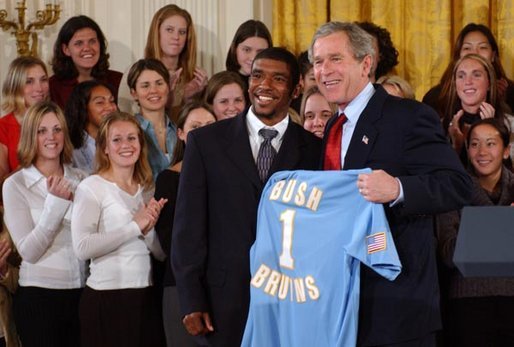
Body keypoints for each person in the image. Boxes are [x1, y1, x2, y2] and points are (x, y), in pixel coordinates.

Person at [310, 21, 472, 346]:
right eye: (317, 61)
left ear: (365, 63)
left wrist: (398, 189)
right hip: (342, 303)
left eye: (335, 59)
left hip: (397, 307)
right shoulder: (333, 128)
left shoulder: (408, 116)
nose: (324, 70)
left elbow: (457, 185)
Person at [172, 47, 322, 346]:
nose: (264, 85)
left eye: (277, 78)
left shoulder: (316, 151)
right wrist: (191, 300)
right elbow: (188, 230)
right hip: (222, 303)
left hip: (292, 300)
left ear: (295, 90)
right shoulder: (206, 143)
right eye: (257, 76)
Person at [71, 111, 166, 347]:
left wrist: (148, 229)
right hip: (106, 298)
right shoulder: (92, 187)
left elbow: (160, 253)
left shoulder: (146, 187)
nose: (126, 145)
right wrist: (134, 226)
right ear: (104, 148)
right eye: (117, 139)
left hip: (144, 296)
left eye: (132, 138)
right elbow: (82, 248)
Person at [2, 101, 87, 347]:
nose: (52, 137)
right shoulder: (15, 184)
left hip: (83, 293)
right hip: (39, 297)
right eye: (42, 131)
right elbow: (29, 250)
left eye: (57, 129)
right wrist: (55, 205)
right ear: (31, 136)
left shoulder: (83, 178)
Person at [436, 118, 514, 347]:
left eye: (491, 143)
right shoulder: (453, 192)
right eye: (474, 144)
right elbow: (449, 254)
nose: (482, 152)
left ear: (506, 151)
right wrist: (504, 224)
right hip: (467, 305)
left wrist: (475, 231)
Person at [154, 100, 215, 347]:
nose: (202, 133)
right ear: (180, 134)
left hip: (221, 284)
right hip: (180, 286)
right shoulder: (168, 179)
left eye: (209, 126)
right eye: (195, 127)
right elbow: (171, 242)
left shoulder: (230, 176)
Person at [135, 4, 208, 121]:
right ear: (157, 33)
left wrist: (190, 99)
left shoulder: (196, 77)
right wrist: (166, 97)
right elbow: (126, 119)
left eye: (182, 32)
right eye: (169, 30)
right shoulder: (136, 72)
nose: (176, 37)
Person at [423, 23, 514, 114]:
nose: (474, 53)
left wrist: (500, 101)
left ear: (493, 55)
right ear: (458, 55)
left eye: (482, 47)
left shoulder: (510, 92)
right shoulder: (436, 97)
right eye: (467, 48)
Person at [441, 54, 512, 163]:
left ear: (489, 83)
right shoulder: (440, 127)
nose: (468, 82)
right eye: (461, 76)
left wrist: (491, 129)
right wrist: (456, 148)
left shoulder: (510, 125)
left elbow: (507, 177)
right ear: (455, 85)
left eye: (476, 75)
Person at [50, 15, 122, 110]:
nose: (87, 48)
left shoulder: (118, 80)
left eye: (92, 41)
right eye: (79, 43)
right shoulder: (53, 86)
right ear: (66, 49)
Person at [127, 58, 177, 181]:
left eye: (159, 83)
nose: (154, 90)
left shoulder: (179, 129)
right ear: (134, 93)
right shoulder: (128, 132)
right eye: (145, 86)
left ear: (168, 87)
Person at [0, 56, 49, 182]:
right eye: (29, 81)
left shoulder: (57, 120)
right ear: (15, 86)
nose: (39, 88)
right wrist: (32, 162)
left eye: (43, 80)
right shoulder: (3, 127)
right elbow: (2, 183)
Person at [65, 80, 117, 173]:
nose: (110, 107)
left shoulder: (122, 138)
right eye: (100, 102)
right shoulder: (68, 145)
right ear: (83, 108)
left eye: (112, 101)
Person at [225, 19, 273, 104]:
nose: (253, 57)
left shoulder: (275, 84)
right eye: (247, 50)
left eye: (260, 52)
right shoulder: (222, 84)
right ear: (235, 49)